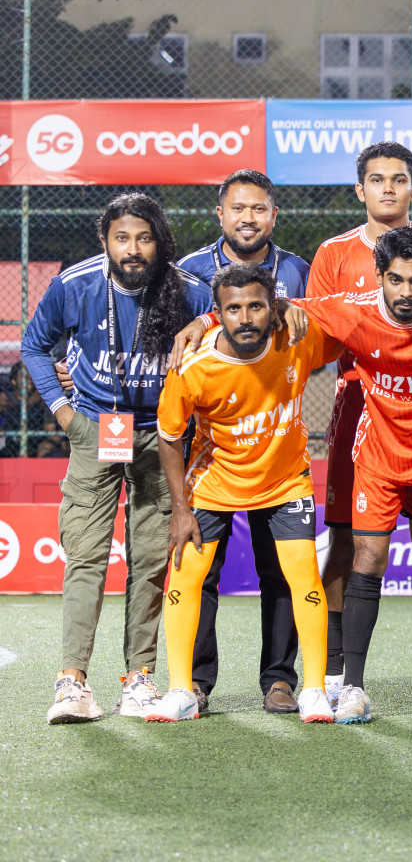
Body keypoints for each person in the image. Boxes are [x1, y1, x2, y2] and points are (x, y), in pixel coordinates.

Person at [23, 193, 214, 724]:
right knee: (85, 554)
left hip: (162, 436)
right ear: (104, 240)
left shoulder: (191, 291)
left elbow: (227, 331)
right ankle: (72, 683)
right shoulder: (75, 283)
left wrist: (207, 323)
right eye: (121, 238)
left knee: (151, 561)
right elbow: (36, 346)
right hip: (97, 427)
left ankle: (139, 679)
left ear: (160, 241)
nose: (133, 250)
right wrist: (64, 414)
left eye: (144, 238)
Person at [288, 225, 412, 724]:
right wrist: (203, 320)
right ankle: (352, 687)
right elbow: (270, 304)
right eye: (395, 280)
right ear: (379, 276)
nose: (405, 292)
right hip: (379, 462)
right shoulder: (354, 313)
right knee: (367, 559)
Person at [148, 263, 339, 723]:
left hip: (285, 479)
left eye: (256, 305)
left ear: (271, 305)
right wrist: (179, 510)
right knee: (186, 579)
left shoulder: (297, 338)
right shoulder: (193, 365)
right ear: (218, 313)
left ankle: (312, 690)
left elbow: (344, 319)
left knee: (301, 576)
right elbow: (170, 436)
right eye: (233, 309)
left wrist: (297, 308)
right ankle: (181, 689)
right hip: (213, 484)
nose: (246, 317)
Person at [176, 168, 312, 715]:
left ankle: (279, 678)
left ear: (273, 215)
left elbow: (312, 338)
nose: (248, 218)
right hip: (209, 447)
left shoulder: (297, 271)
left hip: (275, 441)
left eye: (259, 209)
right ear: (221, 214)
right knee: (199, 567)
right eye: (238, 208)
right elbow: (177, 344)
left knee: (279, 568)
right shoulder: (187, 272)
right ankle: (197, 681)